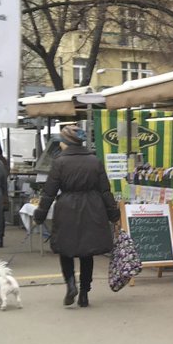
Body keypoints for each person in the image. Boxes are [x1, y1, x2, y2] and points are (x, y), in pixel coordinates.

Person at [34, 126, 119, 308]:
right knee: (86, 253)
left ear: (66, 143)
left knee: (66, 250)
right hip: (92, 207)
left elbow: (49, 192)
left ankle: (71, 283)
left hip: (67, 208)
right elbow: (105, 190)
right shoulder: (94, 161)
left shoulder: (59, 162)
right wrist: (113, 213)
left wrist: (40, 215)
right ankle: (84, 293)